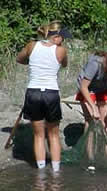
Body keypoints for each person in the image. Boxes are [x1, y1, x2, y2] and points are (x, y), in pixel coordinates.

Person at [16, 20, 72, 172]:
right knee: (53, 135)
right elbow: (64, 64)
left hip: (33, 92)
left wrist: (33, 61)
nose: (64, 40)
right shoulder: (61, 50)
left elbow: (19, 59)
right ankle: (56, 171)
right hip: (51, 93)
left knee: (38, 136)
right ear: (57, 36)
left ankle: (41, 173)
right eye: (63, 37)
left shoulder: (31, 45)